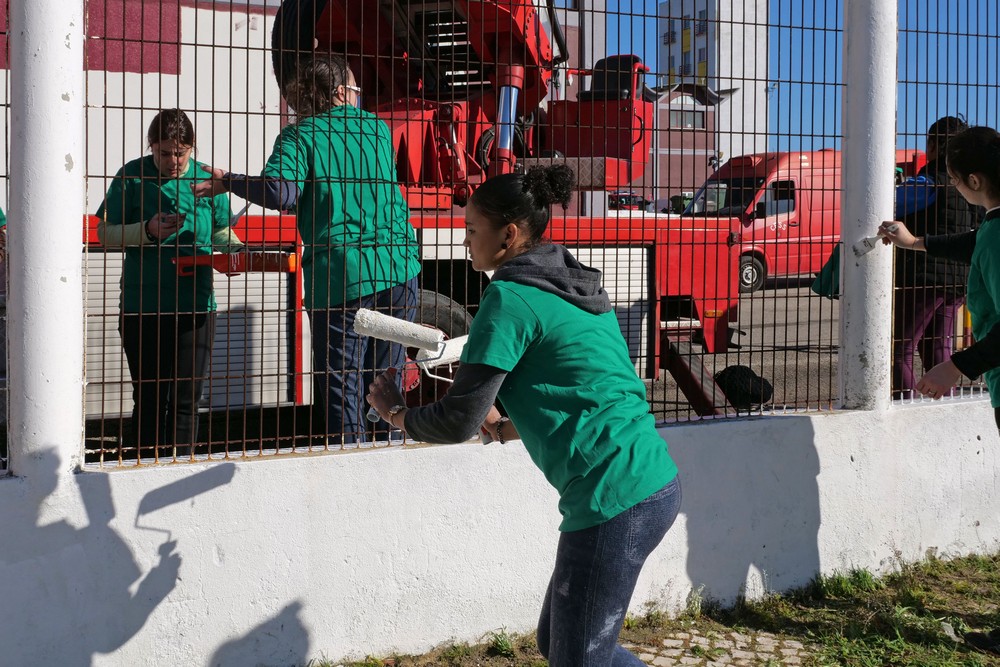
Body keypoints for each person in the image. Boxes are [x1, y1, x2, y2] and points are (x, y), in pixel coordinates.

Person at [366, 165, 681, 666]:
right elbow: (583, 393)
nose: (465, 240)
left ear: (508, 235)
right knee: (559, 644)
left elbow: (457, 421)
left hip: (612, 497)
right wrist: (504, 426)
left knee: (577, 658)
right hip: (649, 481)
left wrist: (397, 413)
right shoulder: (570, 282)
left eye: (472, 229)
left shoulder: (510, 297)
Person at [193, 55, 420, 447]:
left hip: (342, 278)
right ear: (339, 92)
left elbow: (281, 193)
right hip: (399, 269)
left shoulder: (300, 136)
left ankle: (349, 465)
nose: (358, 95)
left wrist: (229, 181)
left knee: (344, 384)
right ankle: (390, 455)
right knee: (388, 380)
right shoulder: (377, 130)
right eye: (355, 89)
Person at [880, 126, 1000, 652]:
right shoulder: (993, 226)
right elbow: (974, 242)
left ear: (973, 180)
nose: (948, 185)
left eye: (951, 178)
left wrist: (957, 366)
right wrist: (916, 241)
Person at [97, 109, 240, 458]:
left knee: (187, 399)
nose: (173, 161)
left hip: (196, 305)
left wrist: (236, 252)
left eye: (180, 153)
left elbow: (221, 230)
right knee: (149, 398)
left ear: (192, 148)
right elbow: (104, 233)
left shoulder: (208, 180)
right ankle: (144, 466)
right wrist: (146, 230)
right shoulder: (131, 176)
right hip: (143, 306)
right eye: (163, 153)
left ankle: (180, 464)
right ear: (151, 146)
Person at [891, 116, 976, 399]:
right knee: (938, 347)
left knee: (900, 348)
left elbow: (886, 204)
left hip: (922, 277)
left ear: (933, 145)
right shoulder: (969, 184)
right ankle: (945, 407)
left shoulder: (927, 182)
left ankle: (904, 405)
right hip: (958, 278)